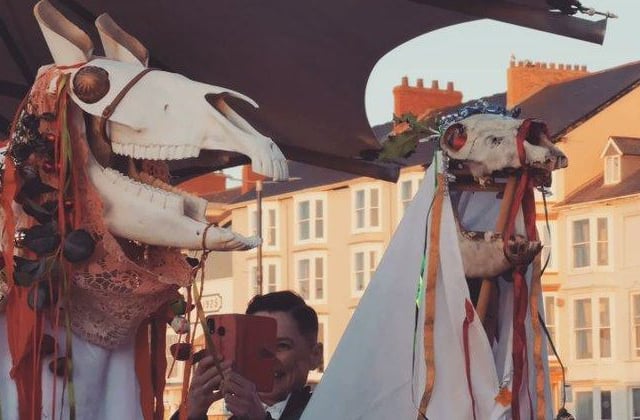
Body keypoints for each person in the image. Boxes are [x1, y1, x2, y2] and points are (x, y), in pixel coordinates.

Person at [172, 291, 323, 420]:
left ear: (315, 356)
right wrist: (191, 413)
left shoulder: (330, 409)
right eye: (256, 345)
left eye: (282, 345)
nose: (267, 358)